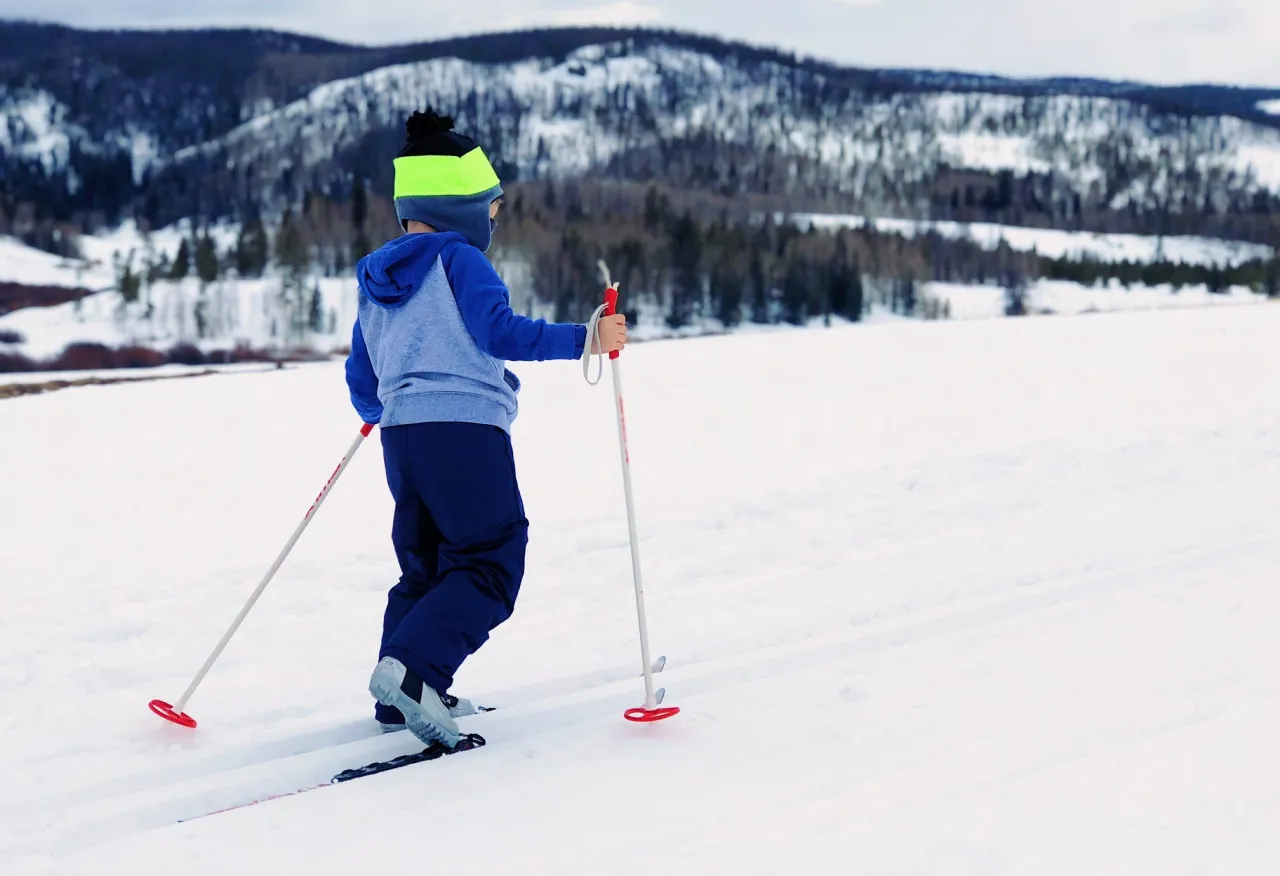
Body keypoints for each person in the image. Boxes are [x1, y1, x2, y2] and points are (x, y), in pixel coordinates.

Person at [344, 108, 628, 748]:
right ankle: (415, 674)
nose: (494, 221)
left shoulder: (375, 277)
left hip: (402, 440)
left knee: (425, 565)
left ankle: (403, 693)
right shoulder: (459, 259)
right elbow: (499, 333)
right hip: (465, 432)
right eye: (492, 209)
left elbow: (362, 373)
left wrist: (375, 410)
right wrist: (585, 338)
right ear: (461, 204)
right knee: (491, 557)